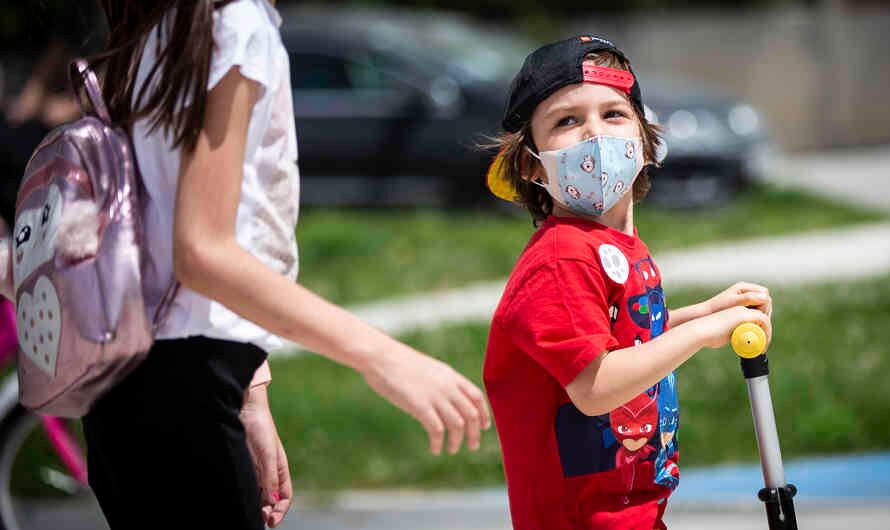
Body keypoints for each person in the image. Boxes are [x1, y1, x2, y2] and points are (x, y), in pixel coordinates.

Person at [78, 1, 491, 529]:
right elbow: (203, 252)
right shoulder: (233, 22)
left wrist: (250, 389)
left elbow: (162, 239)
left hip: (132, 377)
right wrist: (383, 357)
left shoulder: (162, 20)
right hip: (182, 384)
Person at [482, 35, 773, 529]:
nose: (595, 134)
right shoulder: (561, 257)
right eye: (566, 121)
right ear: (531, 163)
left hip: (632, 509)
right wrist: (700, 334)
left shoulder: (612, 246)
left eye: (613, 114)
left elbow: (620, 339)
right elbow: (595, 385)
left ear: (643, 138)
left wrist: (702, 314)